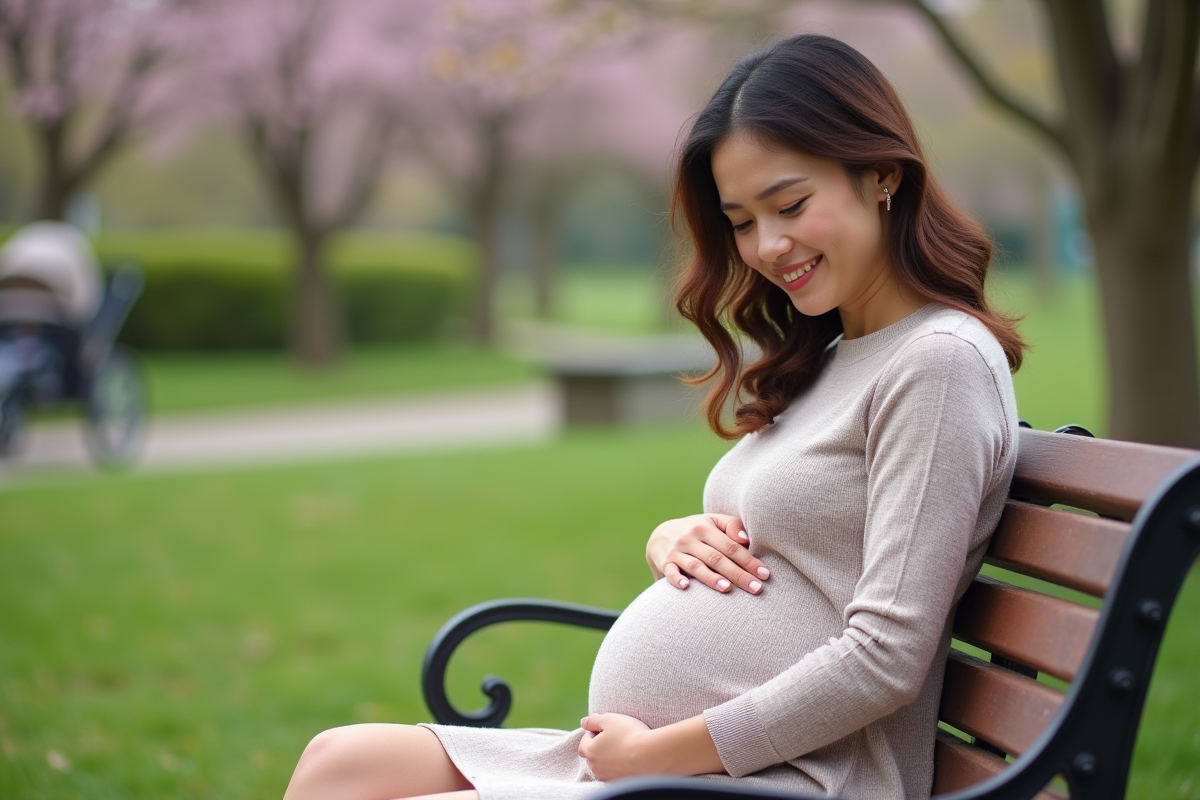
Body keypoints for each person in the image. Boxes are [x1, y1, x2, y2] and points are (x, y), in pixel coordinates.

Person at [281, 33, 1024, 800]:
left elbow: (886, 656)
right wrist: (672, 537)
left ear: (882, 178)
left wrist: (659, 758)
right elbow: (800, 547)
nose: (767, 245)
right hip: (676, 766)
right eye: (740, 220)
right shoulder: (840, 352)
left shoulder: (937, 363)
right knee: (336, 763)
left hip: (797, 776)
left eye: (790, 204)